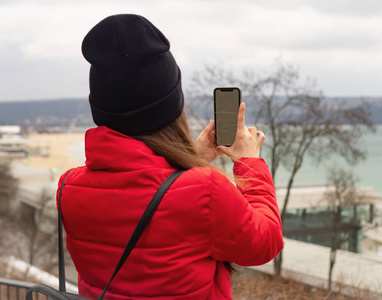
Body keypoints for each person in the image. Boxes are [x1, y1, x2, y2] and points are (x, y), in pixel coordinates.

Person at [57, 14, 283, 299]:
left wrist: (190, 158)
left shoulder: (69, 188)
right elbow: (266, 242)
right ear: (172, 107)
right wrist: (249, 163)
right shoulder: (206, 189)